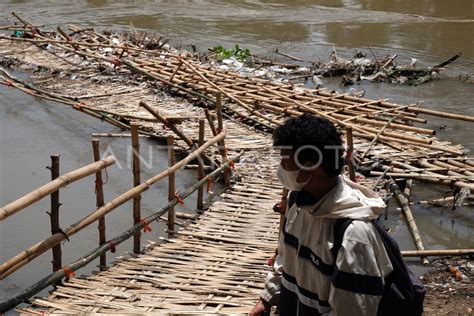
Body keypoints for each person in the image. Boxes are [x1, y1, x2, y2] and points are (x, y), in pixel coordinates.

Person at [250, 114, 393, 316]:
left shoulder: (352, 234)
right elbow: (285, 258)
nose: (281, 169)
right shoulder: (296, 203)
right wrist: (267, 297)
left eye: (285, 161)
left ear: (310, 166)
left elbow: (353, 310)